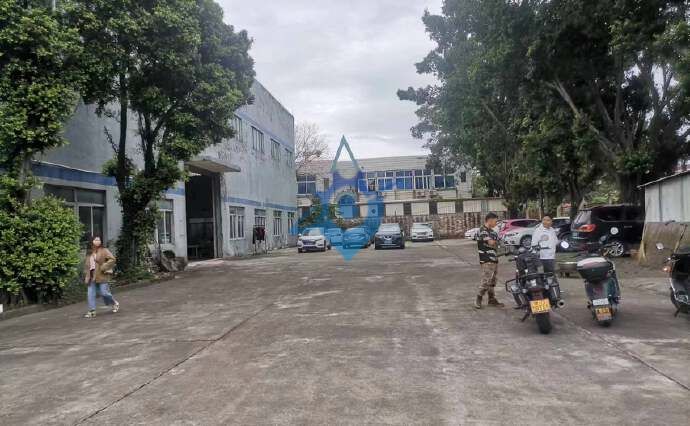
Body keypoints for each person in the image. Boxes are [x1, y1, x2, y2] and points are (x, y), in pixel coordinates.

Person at [83, 236, 119, 318]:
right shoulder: (89, 252)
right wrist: (86, 274)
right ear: (92, 241)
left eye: (99, 240)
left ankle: (114, 303)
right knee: (90, 294)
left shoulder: (104, 250)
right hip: (91, 275)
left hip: (101, 274)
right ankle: (92, 311)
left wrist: (104, 266)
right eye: (96, 240)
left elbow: (112, 259)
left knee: (104, 293)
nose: (98, 241)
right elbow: (87, 265)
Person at [475, 212, 504, 309]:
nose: (496, 223)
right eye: (495, 221)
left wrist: (498, 240)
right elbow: (491, 243)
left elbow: (499, 244)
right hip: (486, 259)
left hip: (494, 259)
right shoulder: (482, 230)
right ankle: (479, 298)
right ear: (490, 220)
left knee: (492, 281)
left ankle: (491, 299)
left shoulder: (493, 232)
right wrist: (497, 240)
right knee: (486, 280)